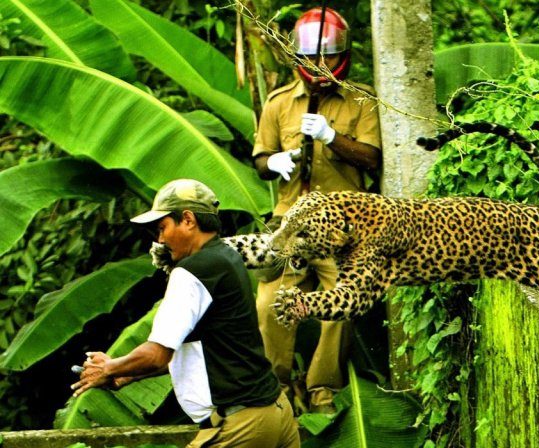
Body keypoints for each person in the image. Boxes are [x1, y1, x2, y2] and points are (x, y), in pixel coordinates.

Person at [70, 179, 300, 448]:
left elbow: (156, 355)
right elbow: (207, 353)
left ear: (188, 220)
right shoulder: (227, 257)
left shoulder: (192, 272)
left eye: (163, 227)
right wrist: (128, 374)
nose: (160, 239)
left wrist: (108, 367)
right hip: (275, 413)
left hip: (241, 426)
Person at [252, 7, 382, 413]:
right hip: (289, 218)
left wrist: (332, 138)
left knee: (342, 302)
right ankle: (279, 389)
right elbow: (260, 158)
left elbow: (371, 158)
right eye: (311, 57)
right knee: (270, 304)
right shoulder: (278, 104)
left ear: (342, 56)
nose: (319, 64)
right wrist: (273, 162)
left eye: (327, 56)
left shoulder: (360, 101)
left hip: (343, 223)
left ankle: (322, 389)